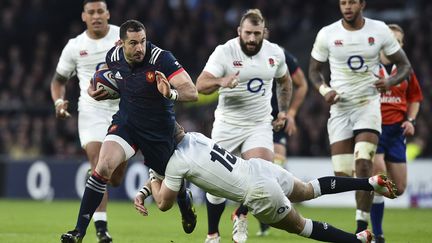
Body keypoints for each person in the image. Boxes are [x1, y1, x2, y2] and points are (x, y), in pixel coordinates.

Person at [60, 19, 198, 243]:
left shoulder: (161, 58)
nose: (140, 48)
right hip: (127, 124)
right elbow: (105, 76)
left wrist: (170, 92)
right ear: (121, 43)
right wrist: (95, 89)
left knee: (163, 203)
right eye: (133, 43)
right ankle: (79, 231)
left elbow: (192, 92)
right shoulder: (113, 56)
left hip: (158, 132)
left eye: (143, 41)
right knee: (102, 166)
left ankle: (183, 196)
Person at [134, 128, 398, 243]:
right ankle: (368, 182)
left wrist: (153, 183)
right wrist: (146, 187)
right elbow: (164, 172)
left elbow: (163, 202)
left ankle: (357, 240)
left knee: (301, 226)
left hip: (257, 193)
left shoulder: (176, 165)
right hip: (258, 167)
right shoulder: (195, 137)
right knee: (308, 189)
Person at [308, 0, 411, 234]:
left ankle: (362, 230)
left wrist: (390, 81)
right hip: (340, 109)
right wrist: (325, 91)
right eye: (343, 2)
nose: (347, 6)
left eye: (352, 2)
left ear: (362, 4)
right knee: (342, 174)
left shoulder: (379, 30)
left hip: (367, 105)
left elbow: (404, 65)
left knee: (364, 162)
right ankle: (370, 188)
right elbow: (313, 70)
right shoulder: (327, 33)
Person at [196, 9, 292, 243]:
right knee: (216, 183)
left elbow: (285, 82)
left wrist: (283, 111)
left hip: (259, 124)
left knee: (262, 175)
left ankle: (241, 213)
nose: (251, 39)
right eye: (247, 33)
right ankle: (213, 233)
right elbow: (200, 84)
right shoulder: (225, 52)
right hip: (228, 124)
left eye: (256, 34)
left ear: (264, 32)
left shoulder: (274, 53)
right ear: (239, 31)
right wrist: (221, 81)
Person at [50, 1, 120, 241]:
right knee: (97, 160)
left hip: (123, 110)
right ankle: (101, 229)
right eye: (91, 12)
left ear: (108, 14)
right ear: (84, 16)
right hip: (92, 111)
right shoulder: (75, 46)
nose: (96, 16)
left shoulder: (123, 36)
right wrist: (59, 102)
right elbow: (58, 81)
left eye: (101, 11)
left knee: (116, 177)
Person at [370, 24, 423, 243]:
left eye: (398, 40)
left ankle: (365, 188)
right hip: (373, 128)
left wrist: (411, 120)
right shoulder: (369, 67)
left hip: (396, 132)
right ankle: (378, 234)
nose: (393, 43)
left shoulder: (406, 72)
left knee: (398, 189)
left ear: (401, 45)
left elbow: (415, 99)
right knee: (380, 179)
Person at [257, 50, 308, 237]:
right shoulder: (238, 55)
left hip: (275, 120)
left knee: (277, 164)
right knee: (253, 170)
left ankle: (266, 214)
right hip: (250, 121)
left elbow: (302, 84)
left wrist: (291, 113)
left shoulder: (282, 56)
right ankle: (254, 213)